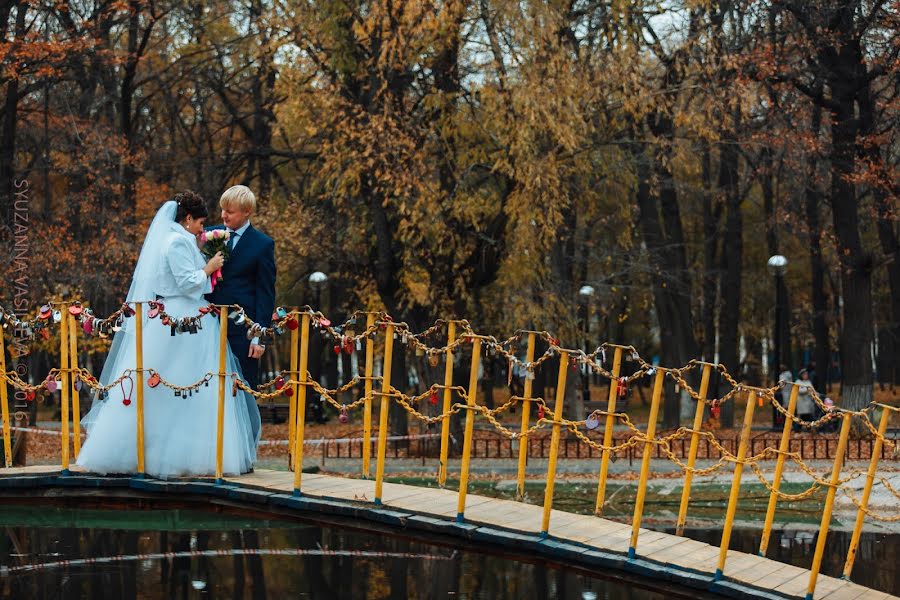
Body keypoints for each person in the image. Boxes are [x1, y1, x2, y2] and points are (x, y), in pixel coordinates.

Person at [77, 193, 261, 478]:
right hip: (180, 318)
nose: (203, 228)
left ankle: (183, 452)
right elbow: (187, 283)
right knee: (178, 384)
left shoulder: (181, 239)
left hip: (191, 317)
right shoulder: (175, 241)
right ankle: (167, 454)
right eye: (200, 222)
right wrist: (209, 268)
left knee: (189, 387)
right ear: (187, 219)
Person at [205, 185, 276, 442]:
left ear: (246, 212)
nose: (224, 216)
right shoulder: (209, 235)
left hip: (242, 330)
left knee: (242, 388)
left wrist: (259, 337)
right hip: (208, 323)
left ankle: (244, 449)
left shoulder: (262, 245)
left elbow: (265, 294)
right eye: (222, 209)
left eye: (230, 212)